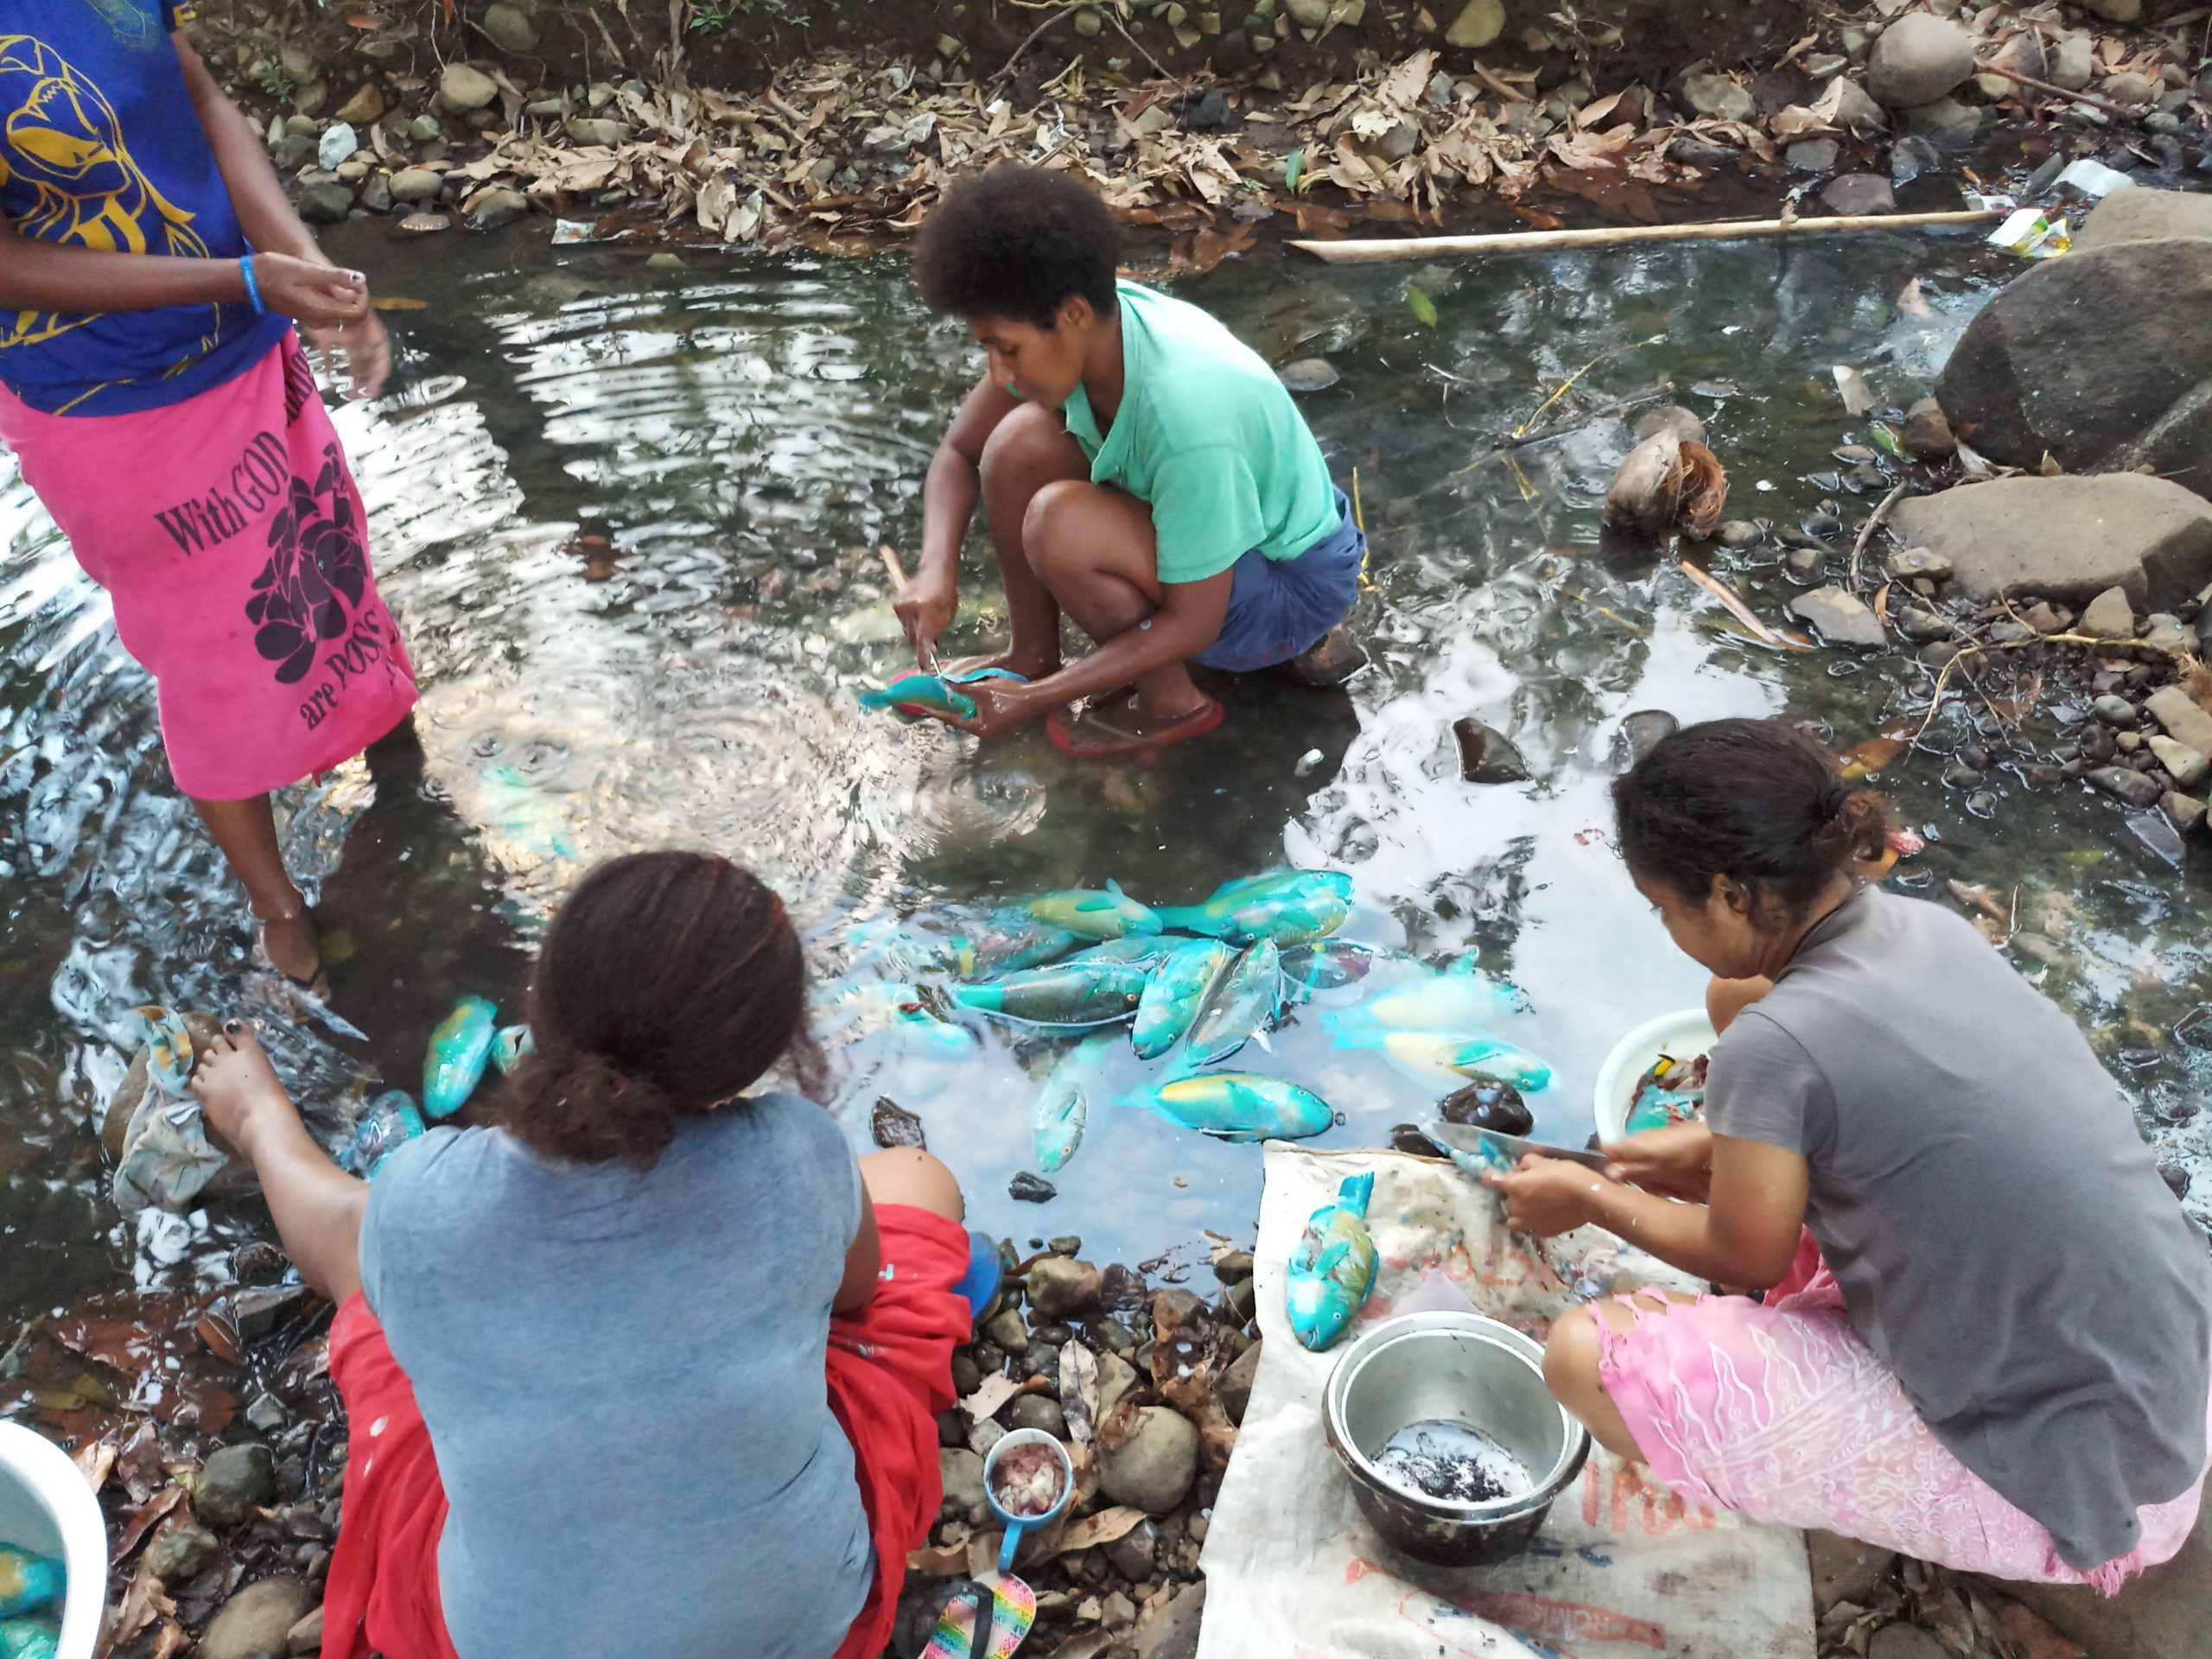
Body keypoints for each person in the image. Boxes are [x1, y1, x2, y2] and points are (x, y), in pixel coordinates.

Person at [190, 851, 986, 1659]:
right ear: (758, 1053)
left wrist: (260, 1120)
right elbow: (855, 1297)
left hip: (508, 1642)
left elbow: (329, 1237)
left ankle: (256, 1113)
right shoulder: (797, 1153)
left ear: (544, 1004)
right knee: (917, 1178)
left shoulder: (427, 1198)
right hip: (804, 1626)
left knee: (376, 1300)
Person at [1491, 716, 2212, 1591]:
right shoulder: (1926, 931)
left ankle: (1742, 1463)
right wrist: (1702, 1148)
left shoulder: (1778, 1049)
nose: (1664, 927)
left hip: (2082, 1487)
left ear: (1728, 894)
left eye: (1663, 907)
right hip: (2156, 1382)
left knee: (1582, 1359)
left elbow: (1741, 1253)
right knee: (1736, 994)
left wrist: (1592, 1198)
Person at [0, 3, 416, 991]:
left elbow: (198, 95)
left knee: (331, 565)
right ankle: (278, 904)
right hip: (117, 410)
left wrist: (304, 270)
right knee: (216, 666)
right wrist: (237, 278)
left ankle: (404, 774)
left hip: (248, 338)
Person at [899, 164, 1367, 760]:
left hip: (1288, 587)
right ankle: (1031, 656)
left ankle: (1171, 703)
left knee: (1059, 522)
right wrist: (934, 569)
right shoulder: (1094, 327)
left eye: (1008, 348)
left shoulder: (1186, 410)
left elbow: (1193, 623)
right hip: (1228, 535)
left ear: (1071, 316)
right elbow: (961, 453)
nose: (998, 372)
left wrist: (1036, 702)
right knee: (1015, 446)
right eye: (987, 347)